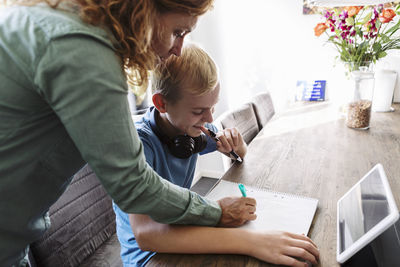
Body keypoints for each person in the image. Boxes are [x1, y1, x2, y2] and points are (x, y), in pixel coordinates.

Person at [0, 1, 256, 266]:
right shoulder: (81, 50)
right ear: (144, 11)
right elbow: (133, 185)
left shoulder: (62, 25)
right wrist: (216, 212)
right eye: (177, 32)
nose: (177, 50)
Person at [113, 44, 320, 267]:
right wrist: (252, 242)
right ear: (161, 103)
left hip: (181, 229)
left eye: (213, 106)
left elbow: (240, 155)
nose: (209, 118)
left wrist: (237, 146)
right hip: (150, 257)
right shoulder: (139, 145)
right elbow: (146, 234)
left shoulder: (189, 130)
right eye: (198, 111)